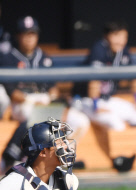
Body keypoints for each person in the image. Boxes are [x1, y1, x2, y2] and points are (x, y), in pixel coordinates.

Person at [0, 16, 89, 174]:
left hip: (46, 101)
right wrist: (34, 102)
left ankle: (60, 158)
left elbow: (53, 88)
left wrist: (50, 100)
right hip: (23, 103)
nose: (29, 38)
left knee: (81, 120)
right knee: (35, 115)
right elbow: (12, 92)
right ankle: (18, 157)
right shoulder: (8, 57)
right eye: (25, 33)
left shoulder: (44, 57)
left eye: (32, 34)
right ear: (18, 35)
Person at [73, 20, 136, 172]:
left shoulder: (124, 51)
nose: (120, 40)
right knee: (115, 122)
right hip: (86, 100)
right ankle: (120, 161)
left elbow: (135, 76)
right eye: (116, 35)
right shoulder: (99, 49)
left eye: (123, 36)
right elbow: (94, 80)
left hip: (107, 99)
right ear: (107, 36)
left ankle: (135, 152)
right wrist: (96, 106)